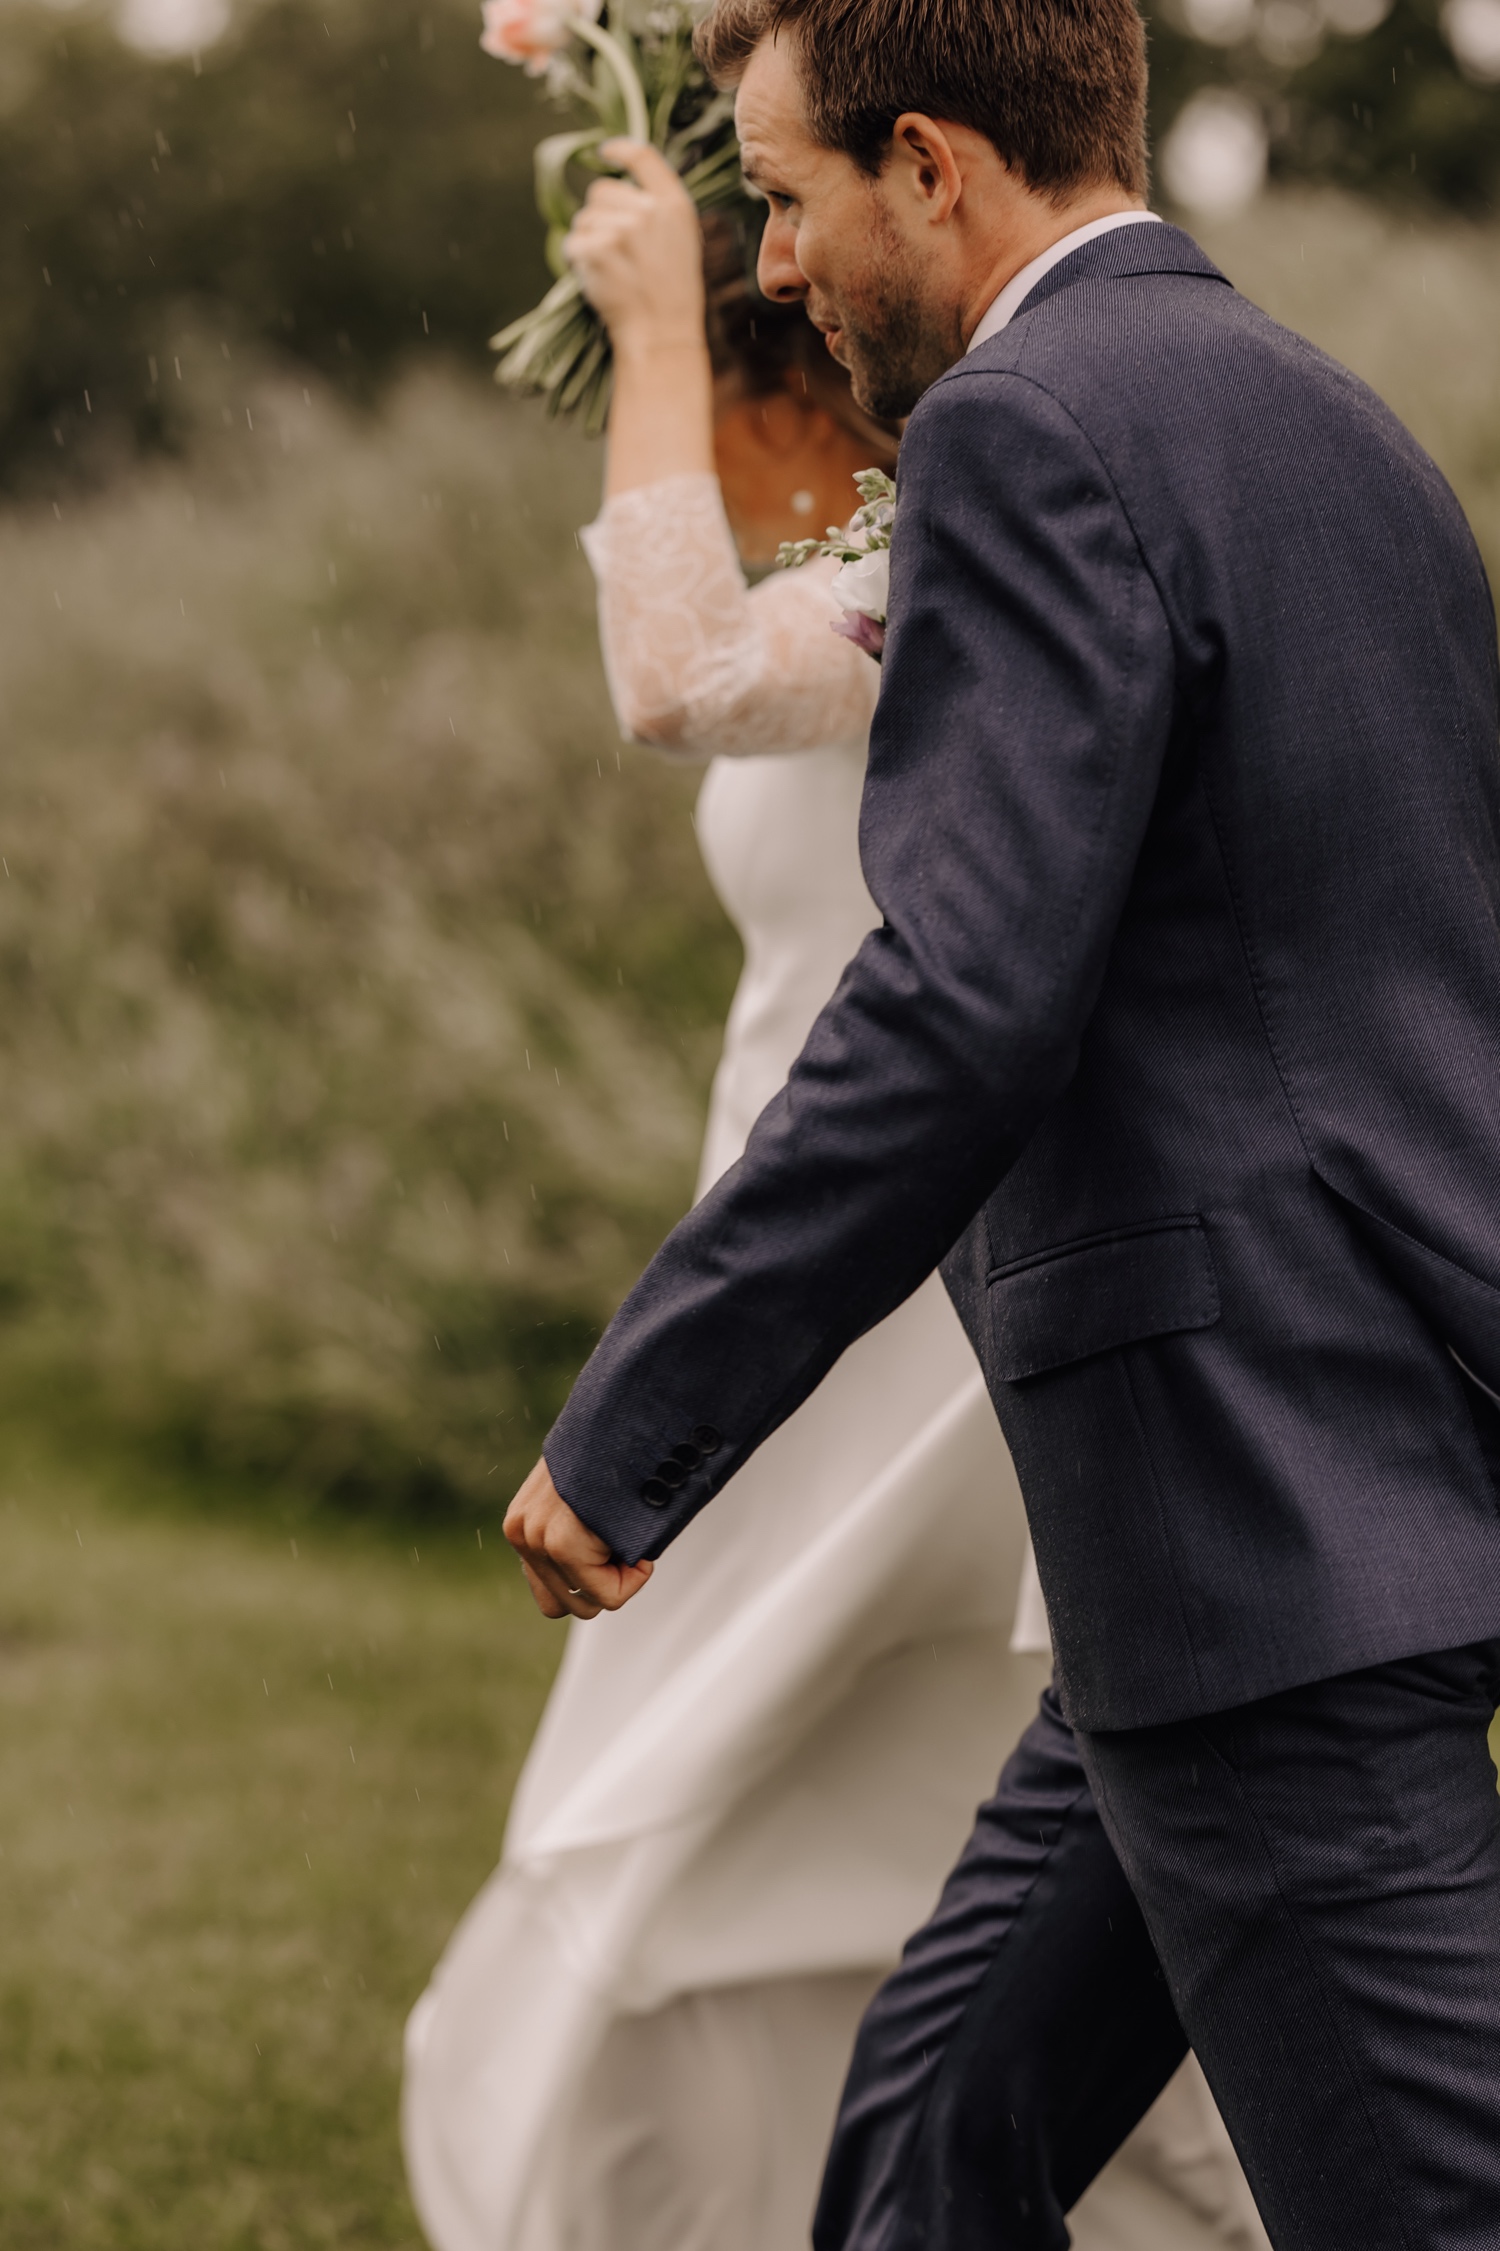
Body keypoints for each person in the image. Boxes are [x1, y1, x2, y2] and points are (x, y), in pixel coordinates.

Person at [503, 0, 1500, 2244]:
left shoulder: (1030, 432)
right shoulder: (1342, 428)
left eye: (790, 194)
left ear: (933, 166)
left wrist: (642, 1416)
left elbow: (965, 1000)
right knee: (936, 2146)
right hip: (1304, 1490)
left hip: (1260, 1526)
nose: (776, 263)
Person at [403, 187, 1267, 2251]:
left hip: (897, 1303)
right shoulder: (895, 565)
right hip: (793, 1236)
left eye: (705, 410)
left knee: (708, 1774)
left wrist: (651, 321)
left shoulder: (963, 551)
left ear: (787, 384)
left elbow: (681, 672)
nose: (692, 469)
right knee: (783, 1778)